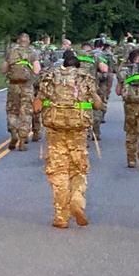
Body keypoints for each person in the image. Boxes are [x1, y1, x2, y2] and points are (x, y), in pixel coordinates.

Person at [34, 50, 104, 228]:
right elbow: (97, 104)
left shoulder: (51, 77)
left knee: (58, 173)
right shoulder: (85, 78)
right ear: (78, 67)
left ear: (63, 65)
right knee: (79, 170)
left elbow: (37, 105)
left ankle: (61, 216)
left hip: (55, 132)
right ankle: (77, 200)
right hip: (78, 132)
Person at [1, 32, 41, 151]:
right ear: (28, 41)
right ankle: (23, 140)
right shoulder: (32, 52)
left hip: (13, 86)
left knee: (12, 110)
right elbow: (37, 70)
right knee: (26, 112)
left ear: (18, 41)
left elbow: (3, 69)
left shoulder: (11, 51)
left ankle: (14, 131)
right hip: (27, 87)